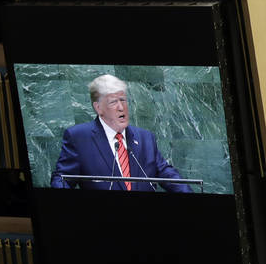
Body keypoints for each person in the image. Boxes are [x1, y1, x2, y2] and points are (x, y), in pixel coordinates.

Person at [49, 74, 192, 192]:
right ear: (98, 108)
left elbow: (166, 174)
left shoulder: (145, 138)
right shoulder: (79, 137)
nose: (121, 107)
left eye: (123, 100)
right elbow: (62, 179)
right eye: (113, 102)